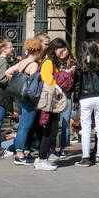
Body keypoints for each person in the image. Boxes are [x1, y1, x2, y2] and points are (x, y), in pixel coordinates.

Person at [34, 39, 74, 171]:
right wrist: (59, 86)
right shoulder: (49, 62)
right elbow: (48, 79)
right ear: (54, 50)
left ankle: (42, 157)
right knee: (50, 130)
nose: (63, 53)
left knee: (51, 129)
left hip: (50, 99)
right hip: (49, 99)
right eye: (60, 50)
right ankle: (41, 159)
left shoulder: (51, 62)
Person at [6, 37, 45, 166]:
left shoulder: (23, 62)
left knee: (23, 124)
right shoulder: (33, 64)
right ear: (38, 50)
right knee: (25, 126)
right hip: (28, 99)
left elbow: (8, 72)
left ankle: (21, 152)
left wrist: (18, 80)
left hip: (19, 97)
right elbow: (33, 84)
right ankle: (20, 154)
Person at [74, 41, 99, 167]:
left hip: (85, 97)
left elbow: (78, 83)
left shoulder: (81, 64)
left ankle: (85, 157)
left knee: (85, 128)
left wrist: (75, 99)